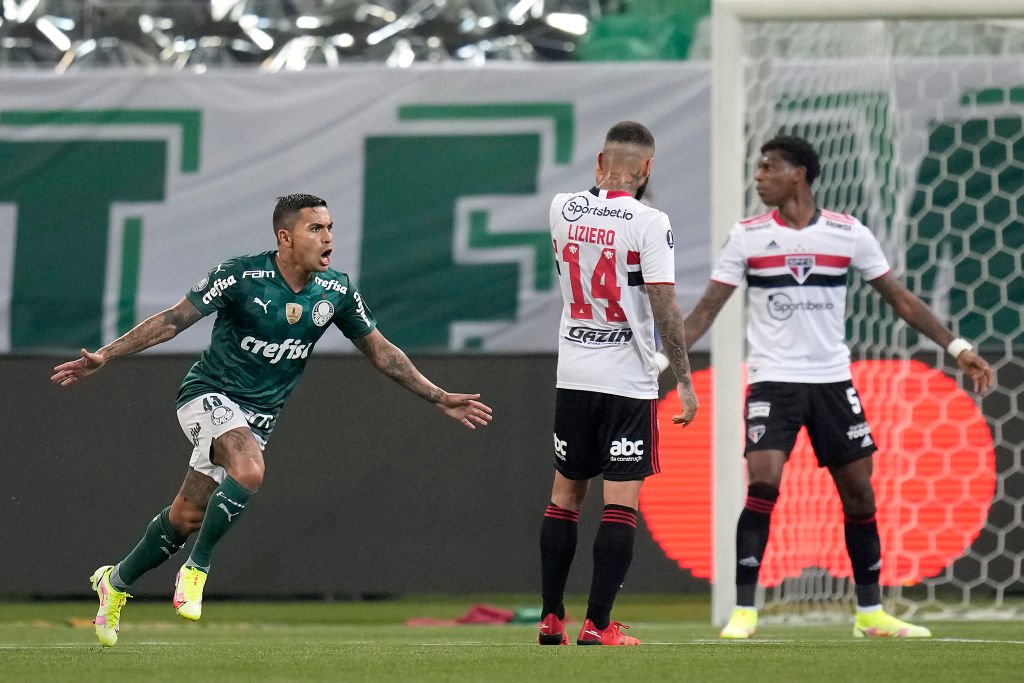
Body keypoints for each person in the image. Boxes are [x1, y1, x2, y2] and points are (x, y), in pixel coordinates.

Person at [51, 193, 493, 647]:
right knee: (249, 470)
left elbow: (381, 350)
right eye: (316, 229)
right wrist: (105, 354)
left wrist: (437, 395)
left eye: (330, 227)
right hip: (208, 394)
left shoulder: (336, 290)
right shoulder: (241, 276)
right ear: (285, 237)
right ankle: (197, 568)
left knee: (185, 516)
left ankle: (116, 582)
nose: (329, 238)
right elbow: (174, 320)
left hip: (260, 415)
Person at [683, 135, 993, 639]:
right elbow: (704, 312)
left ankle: (869, 613)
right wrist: (661, 360)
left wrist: (956, 348)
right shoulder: (747, 236)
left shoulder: (848, 234)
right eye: (758, 168)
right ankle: (744, 611)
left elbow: (903, 301)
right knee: (763, 481)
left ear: (798, 174)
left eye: (768, 167)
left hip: (831, 382)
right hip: (773, 381)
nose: (758, 176)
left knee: (860, 498)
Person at [538, 121, 699, 647]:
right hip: (626, 379)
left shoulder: (562, 208)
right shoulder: (651, 222)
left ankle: (550, 617)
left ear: (598, 164)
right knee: (619, 503)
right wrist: (684, 378)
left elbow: (594, 206)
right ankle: (598, 624)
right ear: (647, 169)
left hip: (573, 374)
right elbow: (664, 304)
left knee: (565, 495)